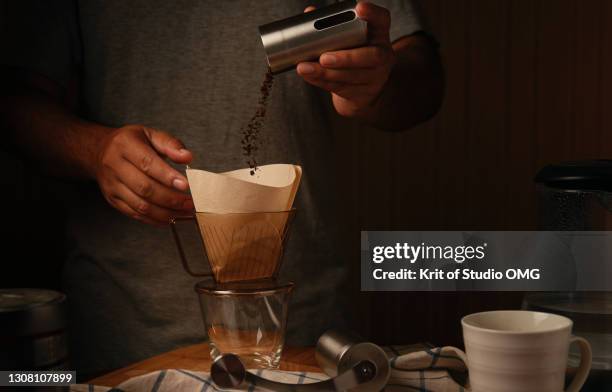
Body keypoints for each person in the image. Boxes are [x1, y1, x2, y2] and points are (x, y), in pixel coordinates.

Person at [0, 0, 443, 377]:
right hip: (120, 332)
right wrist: (95, 151)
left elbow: (422, 76)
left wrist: (379, 81)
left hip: (301, 332)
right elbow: (13, 100)